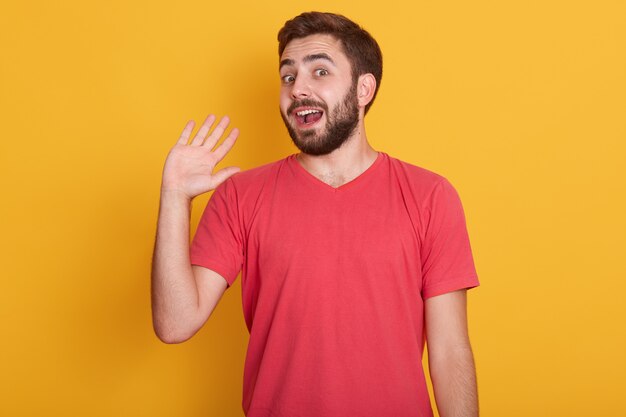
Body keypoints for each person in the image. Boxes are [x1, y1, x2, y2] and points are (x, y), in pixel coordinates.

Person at [152, 11, 480, 417]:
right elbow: (174, 323)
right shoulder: (239, 195)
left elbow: (450, 350)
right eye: (288, 77)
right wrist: (174, 197)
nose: (298, 89)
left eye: (319, 72)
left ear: (364, 89)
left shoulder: (430, 196)